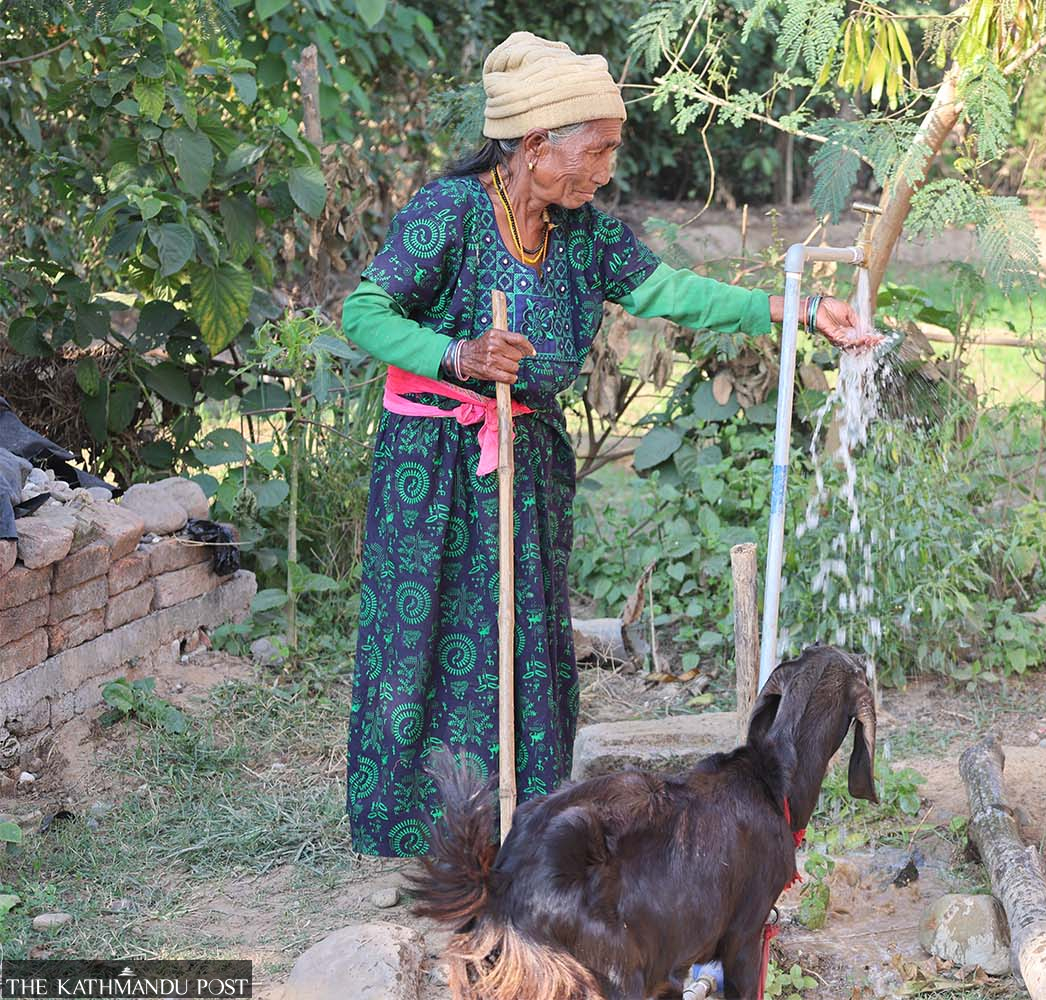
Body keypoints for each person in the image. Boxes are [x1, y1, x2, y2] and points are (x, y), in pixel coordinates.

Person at [341, 31, 876, 856]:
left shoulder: (582, 229)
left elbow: (669, 291)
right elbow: (364, 314)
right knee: (436, 631)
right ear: (533, 146)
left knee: (522, 637)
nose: (605, 172)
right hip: (435, 468)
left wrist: (800, 311)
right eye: (596, 152)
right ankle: (424, 831)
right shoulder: (450, 213)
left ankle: (521, 823)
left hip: (529, 459)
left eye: (610, 152)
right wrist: (458, 355)